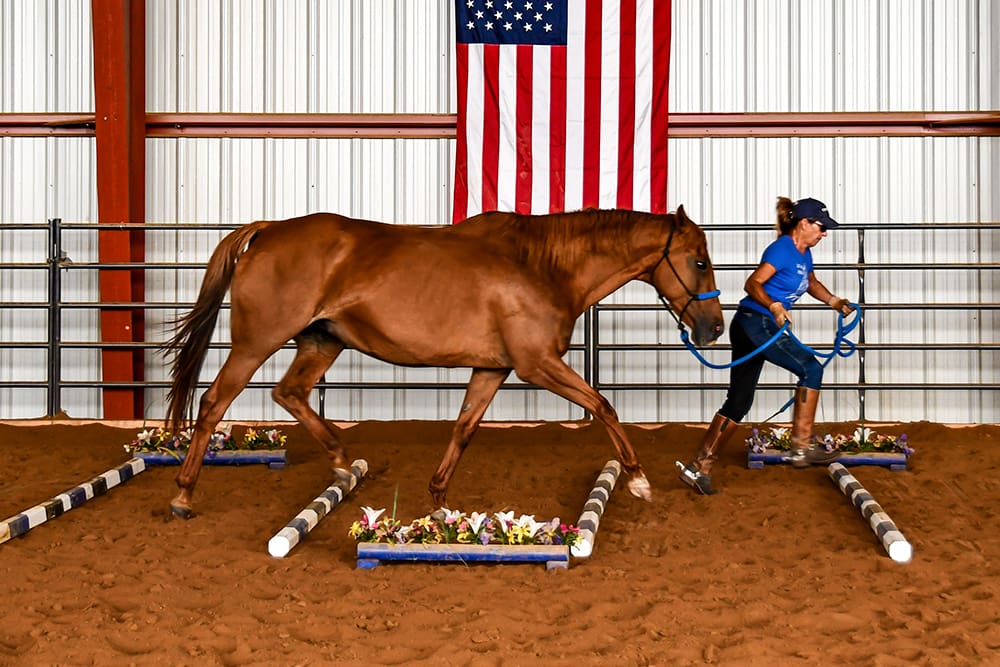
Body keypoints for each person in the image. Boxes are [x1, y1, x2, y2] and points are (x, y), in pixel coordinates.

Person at [678, 197, 856, 495]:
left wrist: (834, 301)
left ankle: (698, 467)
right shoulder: (782, 249)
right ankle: (801, 447)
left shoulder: (804, 253)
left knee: (739, 402)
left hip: (754, 325)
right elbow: (752, 284)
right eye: (821, 228)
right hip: (756, 322)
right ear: (804, 224)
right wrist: (774, 306)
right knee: (810, 367)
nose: (824, 234)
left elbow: (810, 281)